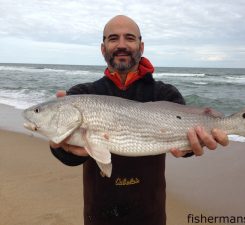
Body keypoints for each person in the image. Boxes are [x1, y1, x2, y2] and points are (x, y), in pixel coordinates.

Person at [50, 15, 229, 225]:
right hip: (99, 213)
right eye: (113, 38)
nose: (122, 45)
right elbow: (72, 157)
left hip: (149, 212)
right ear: (103, 48)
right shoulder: (83, 94)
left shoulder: (165, 93)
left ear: (141, 46)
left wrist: (192, 147)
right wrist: (60, 146)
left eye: (130, 38)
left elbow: (184, 146)